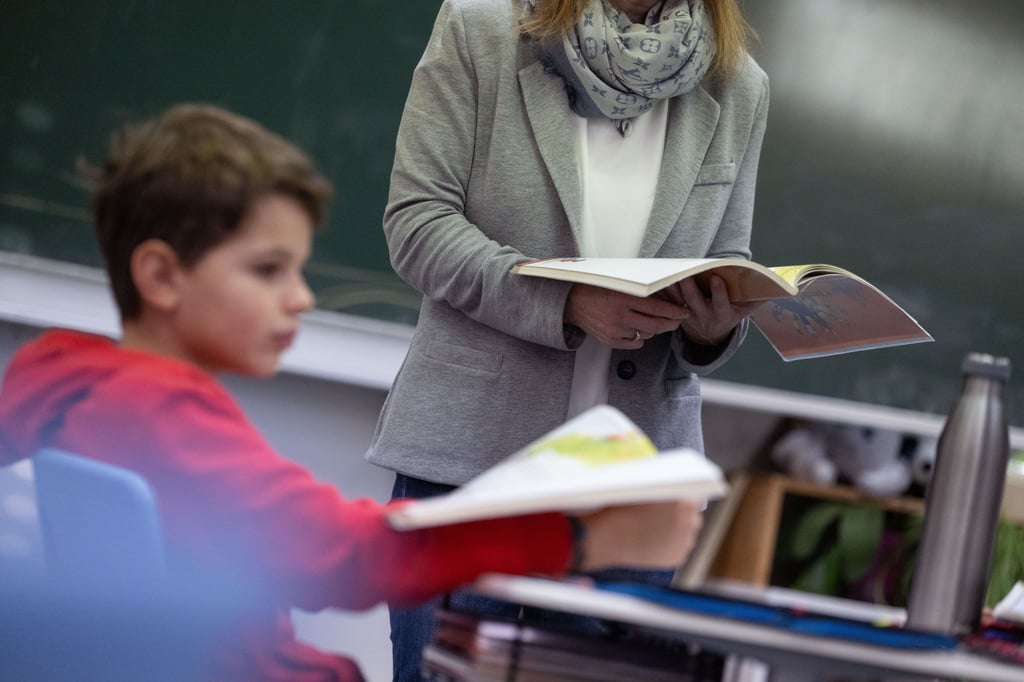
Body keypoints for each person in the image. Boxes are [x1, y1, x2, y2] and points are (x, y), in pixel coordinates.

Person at [0, 103, 704, 681]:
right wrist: (577, 536)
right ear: (160, 276)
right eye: (268, 270)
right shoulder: (164, 412)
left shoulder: (62, 380)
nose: (301, 298)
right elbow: (343, 554)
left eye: (299, 270)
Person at [367, 0, 769, 677]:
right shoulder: (482, 30)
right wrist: (565, 303)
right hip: (469, 465)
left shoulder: (738, 82)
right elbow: (418, 223)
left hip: (634, 491)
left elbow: (728, 256)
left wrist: (713, 328)